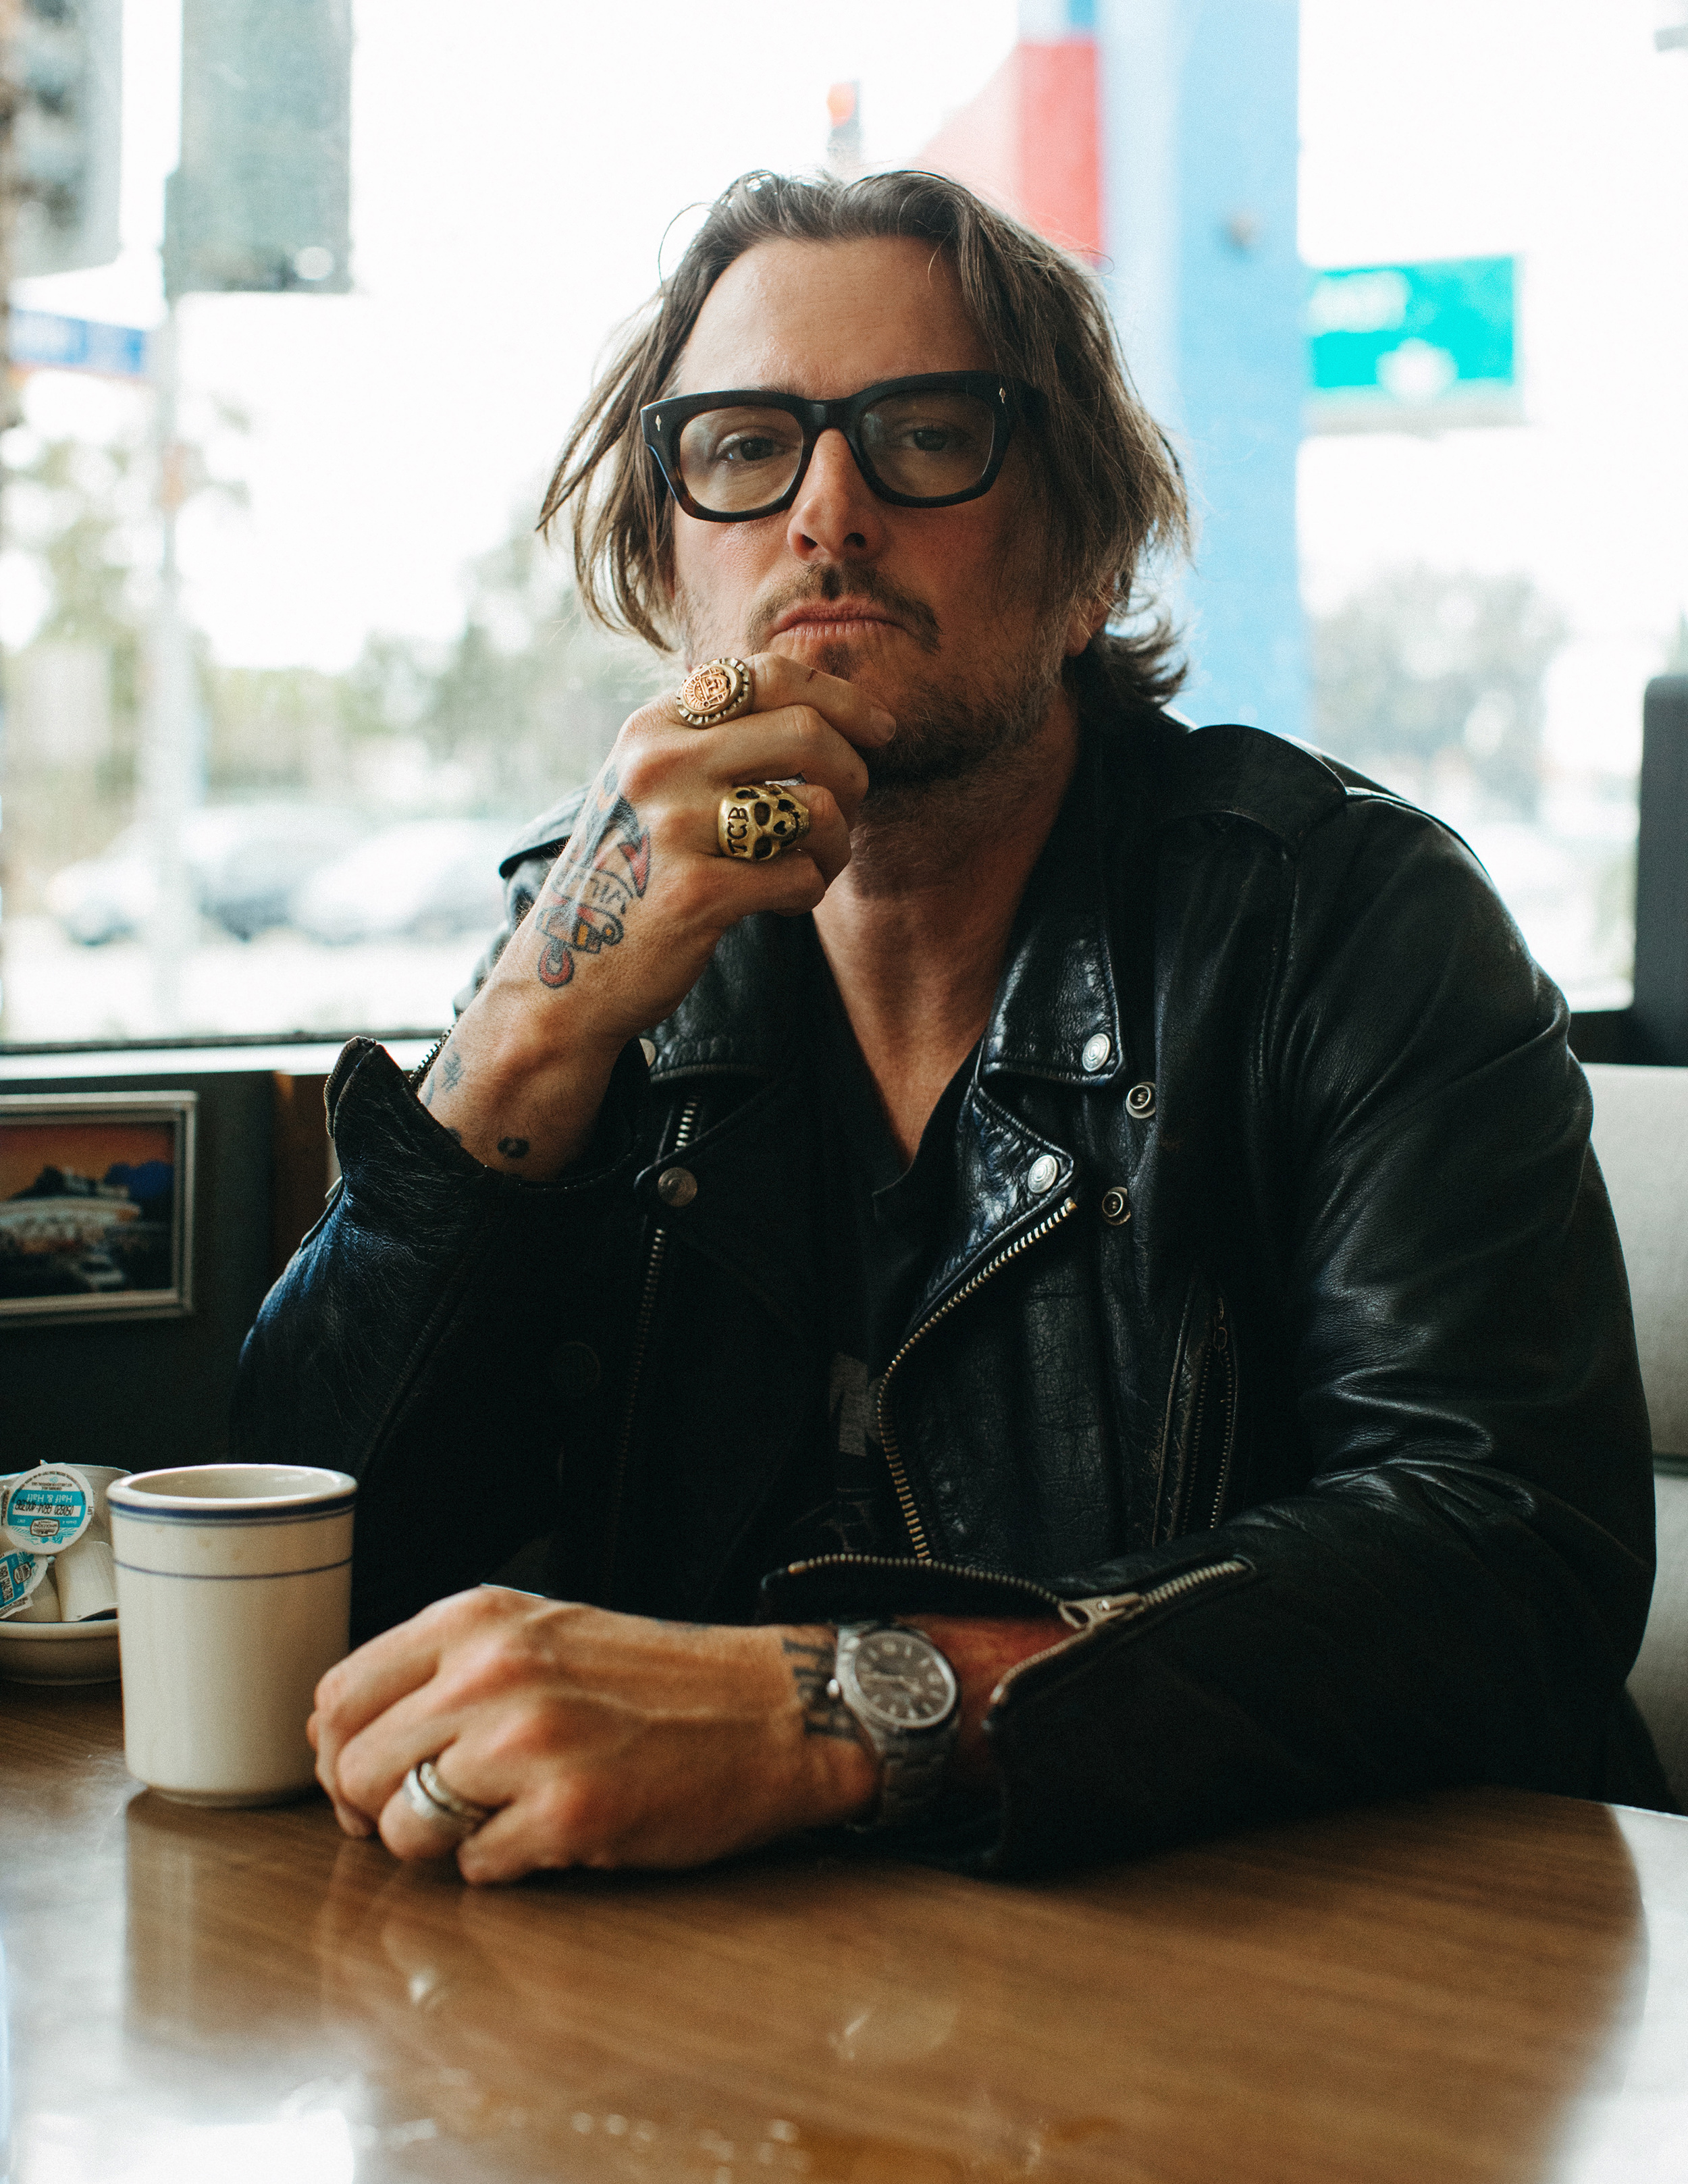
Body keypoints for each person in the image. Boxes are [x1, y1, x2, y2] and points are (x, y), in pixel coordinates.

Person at [234, 169, 1668, 1884]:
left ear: (1088, 553)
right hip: (747, 1985)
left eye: (924, 436)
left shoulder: (1340, 922)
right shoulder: (590, 953)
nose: (825, 514)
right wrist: (537, 1020)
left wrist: (838, 1712)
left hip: (1295, 1954)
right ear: (666, 565)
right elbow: (296, 1552)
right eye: (743, 448)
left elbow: (1506, 1561)